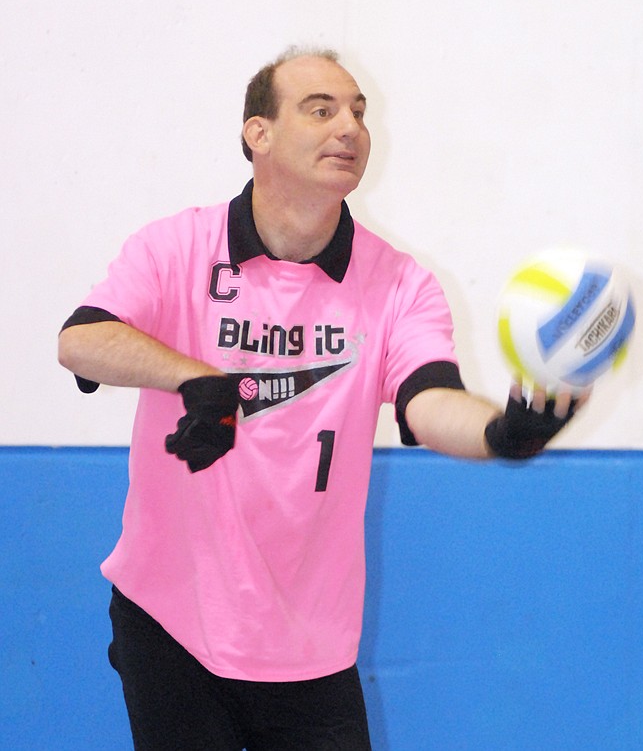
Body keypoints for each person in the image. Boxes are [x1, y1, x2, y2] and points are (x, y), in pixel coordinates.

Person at [58, 46, 583, 750]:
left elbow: (430, 402)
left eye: (359, 112)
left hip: (310, 643)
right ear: (259, 133)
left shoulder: (400, 285)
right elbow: (83, 340)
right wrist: (195, 379)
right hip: (172, 619)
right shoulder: (178, 246)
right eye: (321, 108)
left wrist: (498, 433)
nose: (350, 128)